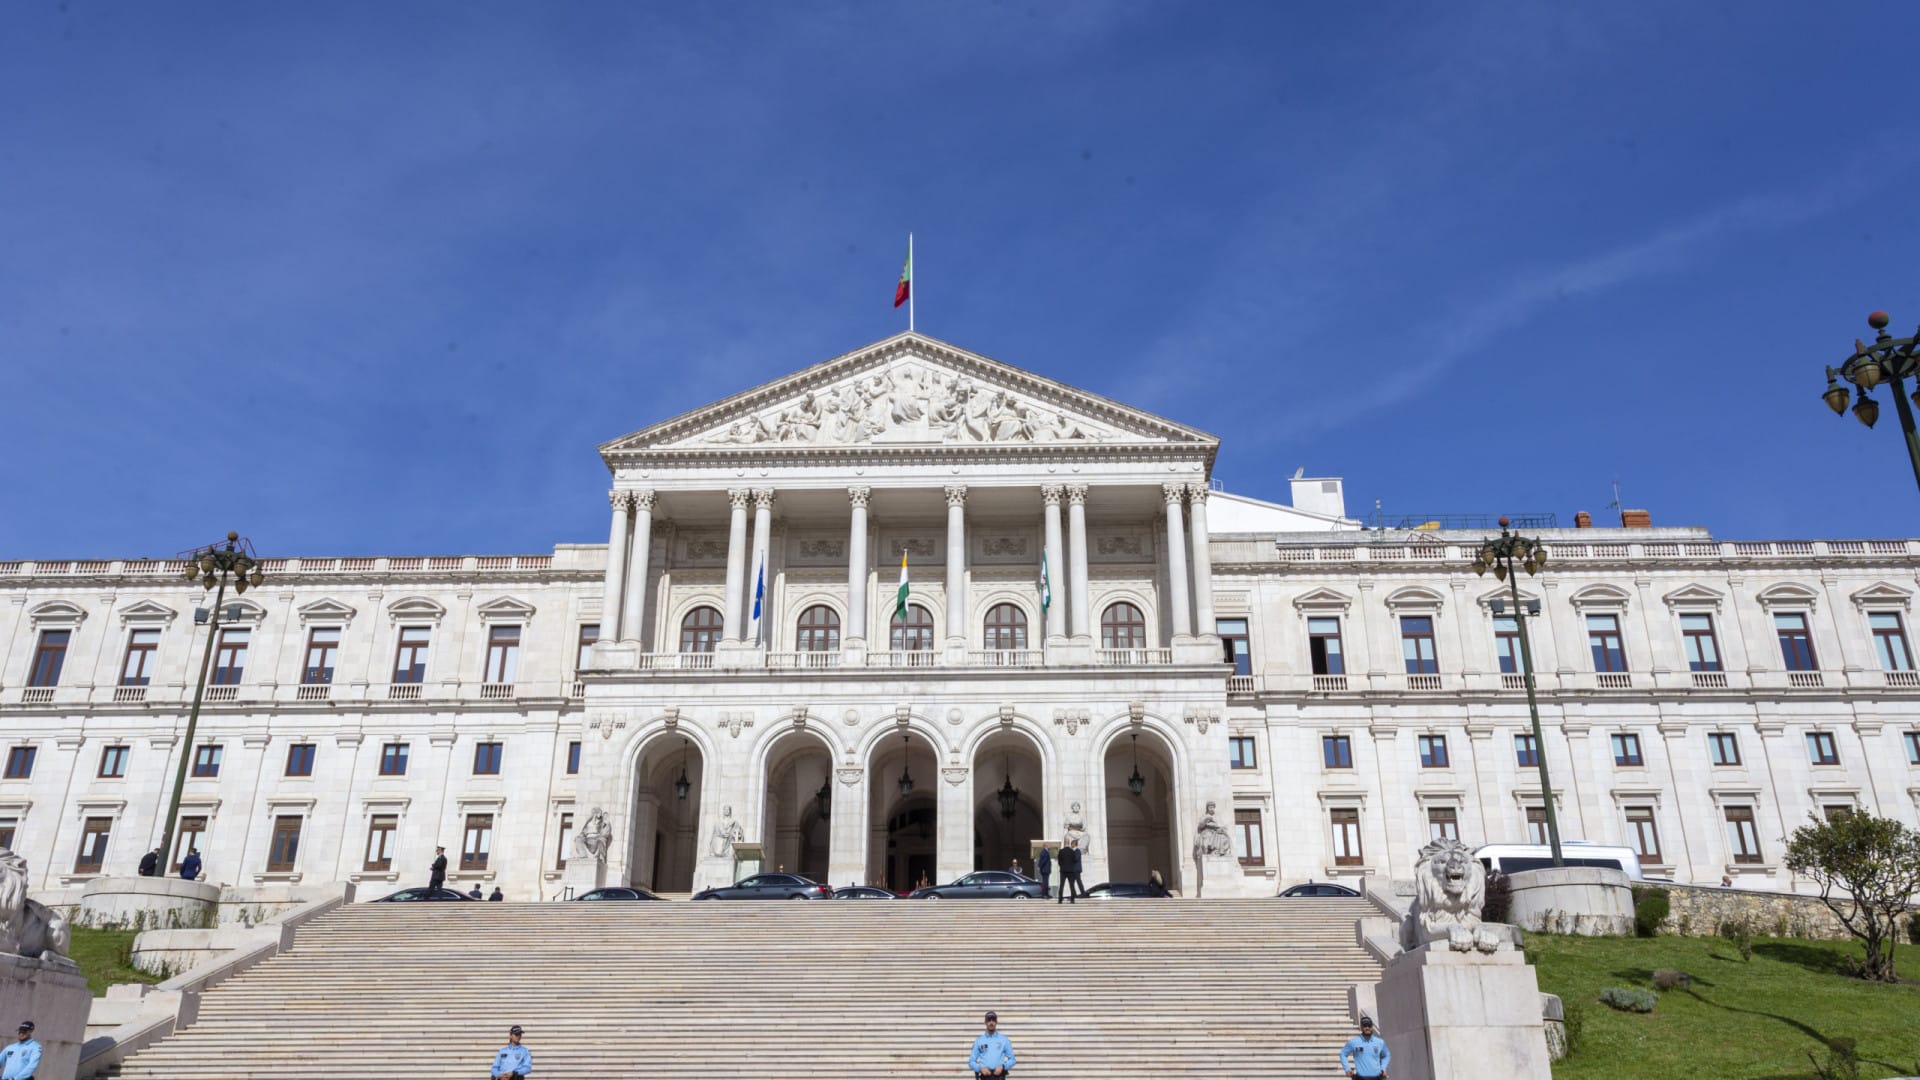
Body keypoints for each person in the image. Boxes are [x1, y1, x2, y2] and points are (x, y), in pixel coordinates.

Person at [1339, 1015, 1390, 1079]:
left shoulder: (1380, 1042)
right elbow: (1343, 1054)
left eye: (1369, 1025)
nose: (1367, 1028)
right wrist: (1347, 1069)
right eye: (1365, 1026)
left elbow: (1386, 1055)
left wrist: (1383, 1068)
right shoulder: (1353, 1042)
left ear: (1372, 1027)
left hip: (1377, 1078)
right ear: (1361, 1027)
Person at [968, 1010, 1015, 1079]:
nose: (991, 1022)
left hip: (999, 1077)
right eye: (989, 1020)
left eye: (993, 1020)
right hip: (985, 1077)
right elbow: (971, 1062)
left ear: (996, 1022)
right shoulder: (979, 1040)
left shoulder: (1004, 1040)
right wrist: (980, 1068)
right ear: (985, 1022)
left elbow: (1012, 1059)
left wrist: (1003, 1066)